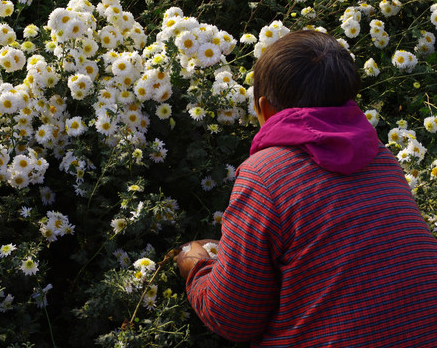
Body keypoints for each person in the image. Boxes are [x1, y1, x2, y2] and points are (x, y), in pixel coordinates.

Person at [176, 30, 437, 347]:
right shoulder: (382, 159)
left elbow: (234, 318)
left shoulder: (265, 174)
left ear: (264, 108)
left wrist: (197, 267)